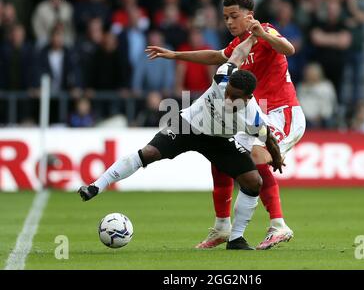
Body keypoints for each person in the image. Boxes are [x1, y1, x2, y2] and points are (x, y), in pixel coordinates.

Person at [78, 35, 284, 250]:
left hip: (220, 141)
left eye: (235, 98)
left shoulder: (253, 118)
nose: (227, 99)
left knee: (254, 182)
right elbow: (238, 55)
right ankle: (95, 186)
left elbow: (268, 137)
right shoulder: (224, 77)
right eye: (228, 93)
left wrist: (277, 158)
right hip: (188, 125)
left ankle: (236, 239)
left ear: (249, 98)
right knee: (149, 153)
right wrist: (251, 39)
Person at [146, 0, 306, 250]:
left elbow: (289, 49)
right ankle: (222, 226)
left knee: (253, 158)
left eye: (234, 16)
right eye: (226, 18)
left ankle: (278, 225)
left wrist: (263, 35)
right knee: (223, 154)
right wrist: (175, 55)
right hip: (257, 112)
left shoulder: (266, 30)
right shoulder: (237, 46)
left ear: (249, 16)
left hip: (281, 111)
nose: (229, 22)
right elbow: (214, 56)